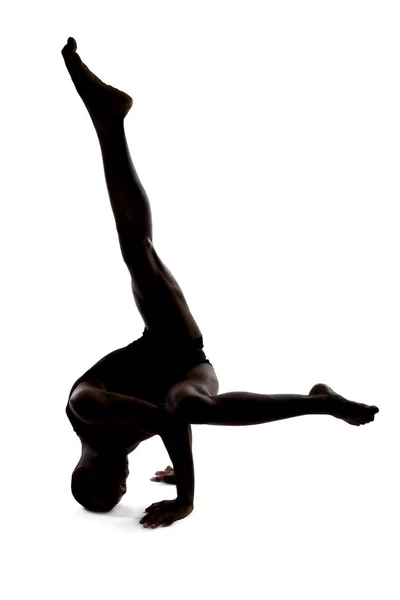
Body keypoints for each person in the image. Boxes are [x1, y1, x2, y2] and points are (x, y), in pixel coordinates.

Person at [62, 37, 379, 529]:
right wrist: (177, 461)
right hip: (190, 372)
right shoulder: (112, 449)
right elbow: (170, 415)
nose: (126, 482)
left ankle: (109, 120)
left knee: (137, 247)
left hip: (166, 341)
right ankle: (322, 402)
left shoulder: (86, 408)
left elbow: (165, 422)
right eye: (124, 489)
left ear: (90, 468)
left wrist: (186, 495)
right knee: (187, 402)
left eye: (116, 483)